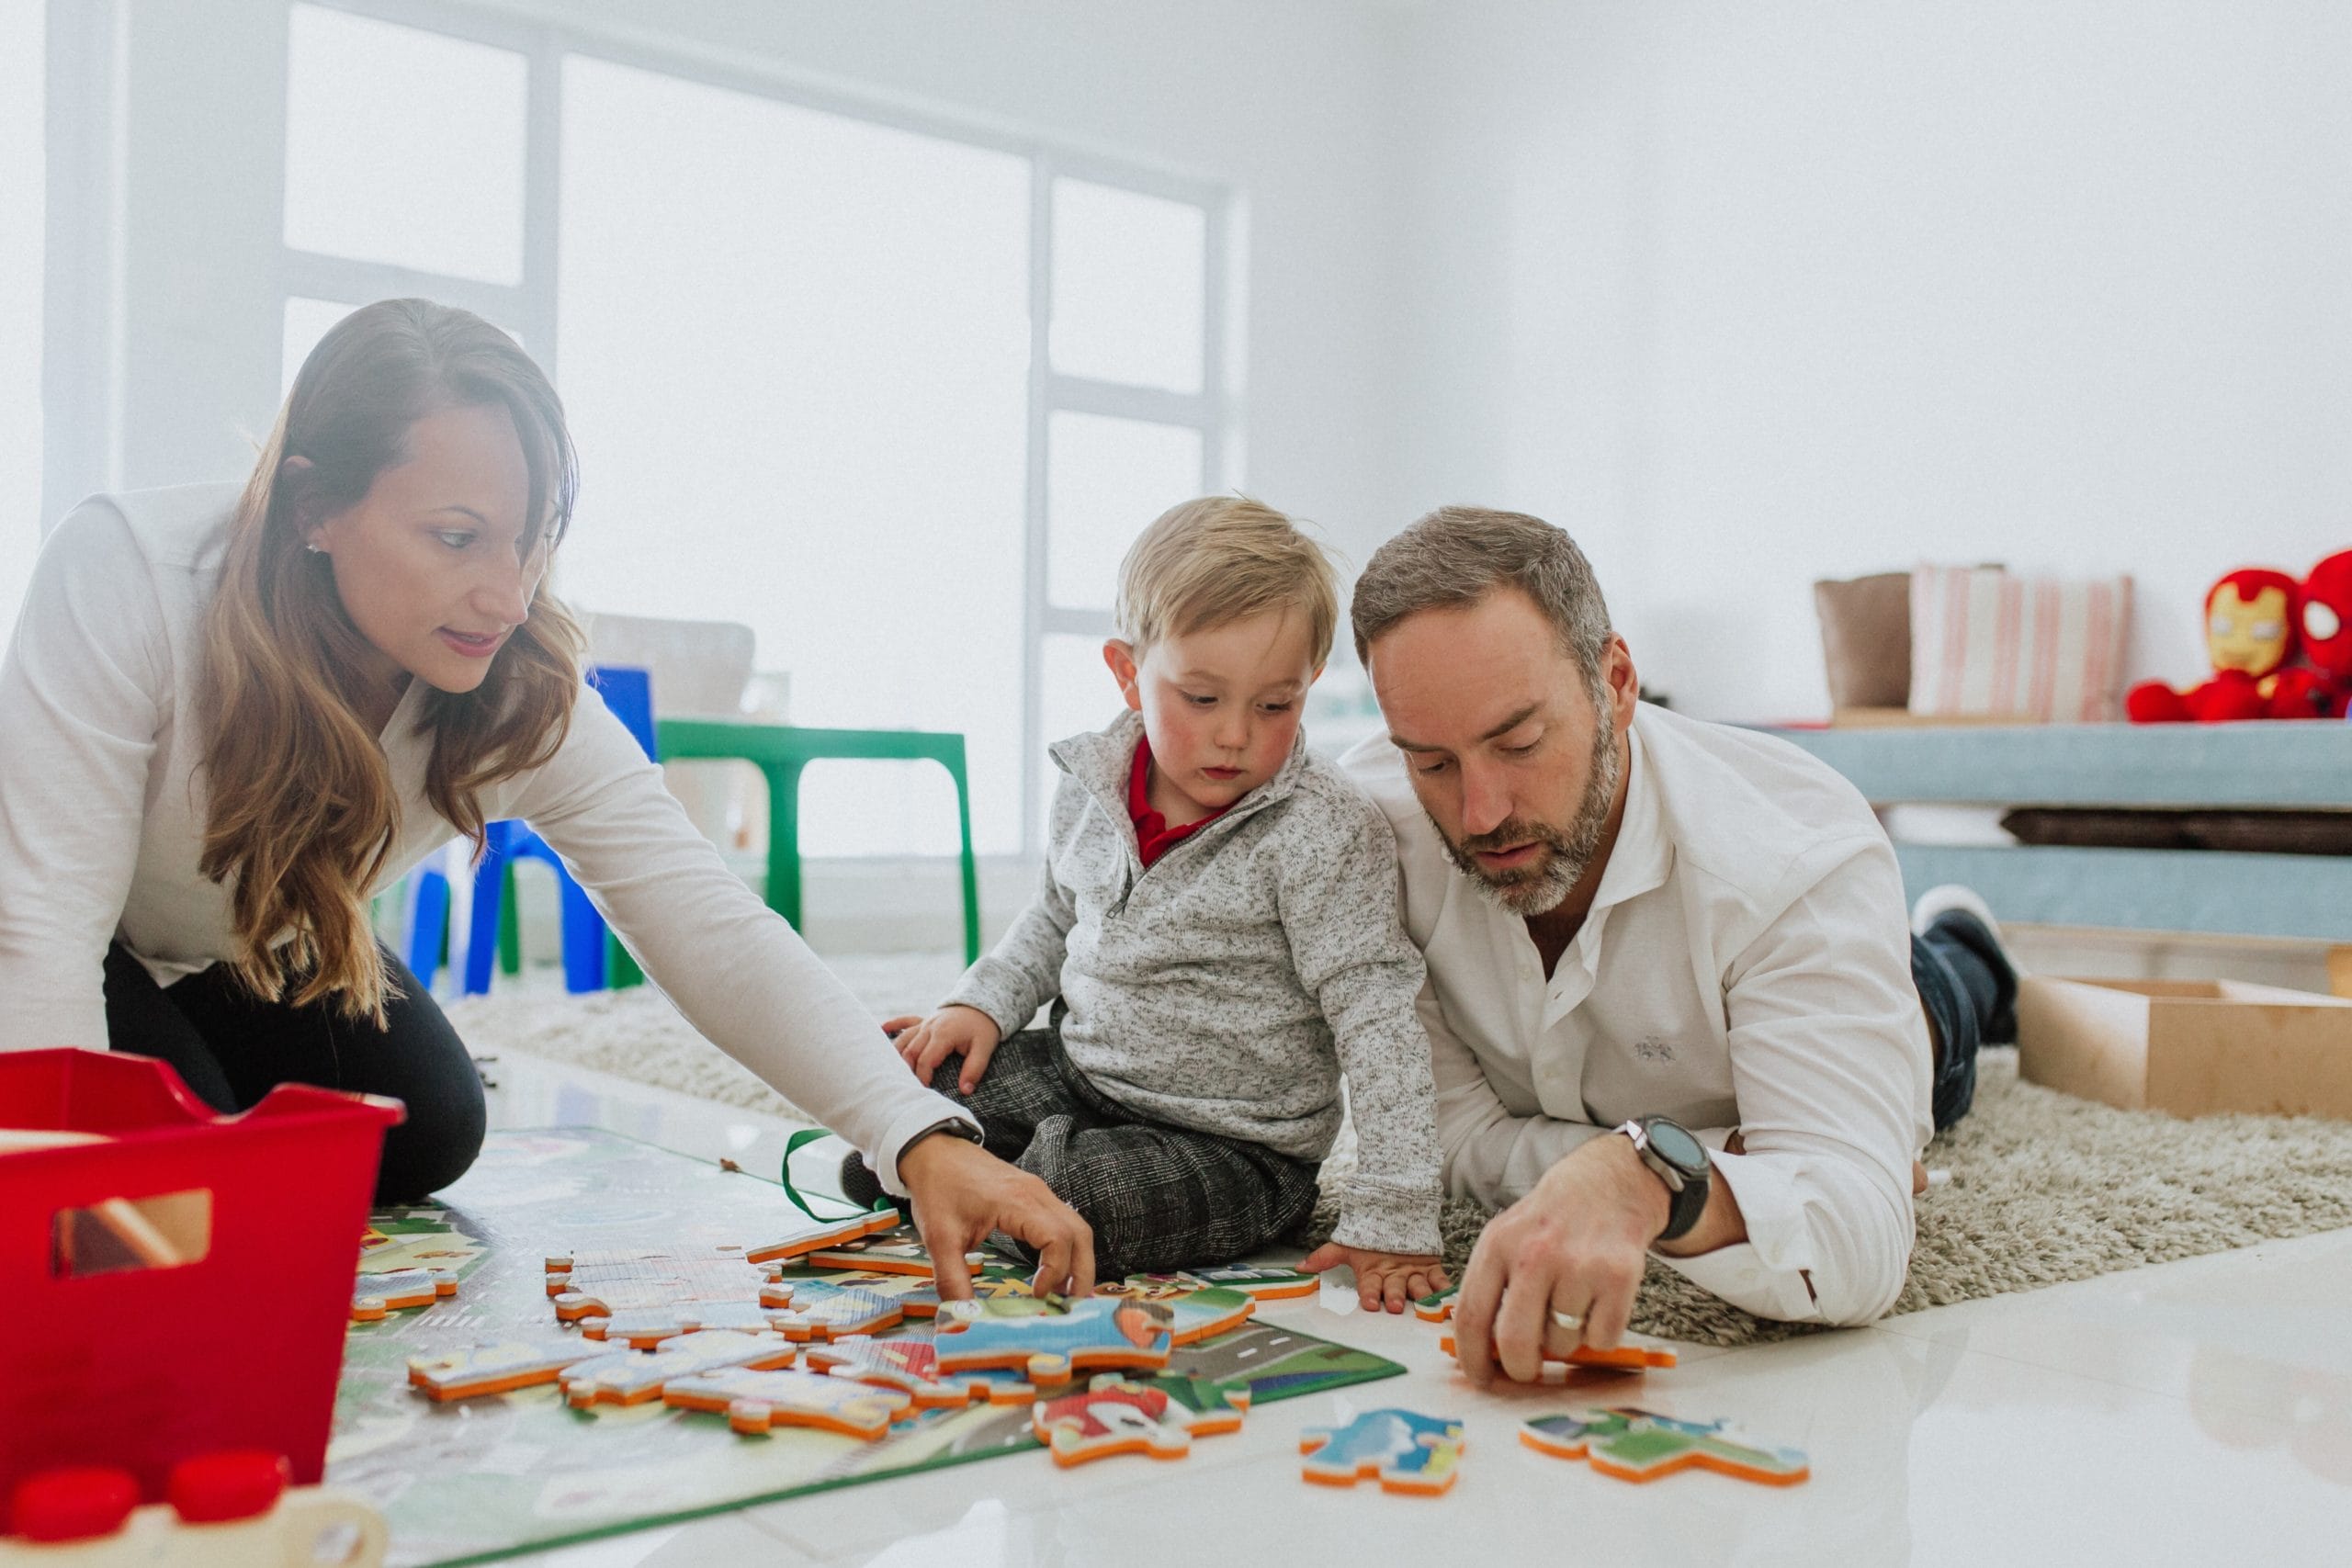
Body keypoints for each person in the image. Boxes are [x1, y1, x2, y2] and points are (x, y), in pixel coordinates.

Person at [0, 298, 1091, 1302]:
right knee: (141, 1201)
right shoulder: (130, 576)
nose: (507, 592)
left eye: (533, 537)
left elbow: (704, 921)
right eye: (457, 537)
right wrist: (71, 1233)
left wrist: (919, 1137)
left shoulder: (513, 682)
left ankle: (191, 1079)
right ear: (312, 507)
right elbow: (40, 933)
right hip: (53, 922)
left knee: (425, 1127)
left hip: (241, 943)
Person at [1340, 505, 2018, 1380]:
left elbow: (1858, 1241)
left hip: (1895, 988)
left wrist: (1652, 1176)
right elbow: (1453, 1139)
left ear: (1616, 682)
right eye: (1432, 762)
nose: (1481, 812)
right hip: (1714, 1067)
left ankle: (1971, 943)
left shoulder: (1796, 860)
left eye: (1519, 742)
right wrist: (1686, 1151)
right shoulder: (1365, 835)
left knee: (1944, 1013)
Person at [864, 497, 1449, 1308]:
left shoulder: (1324, 829)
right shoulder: (1090, 785)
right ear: (1128, 672)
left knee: (1076, 1199)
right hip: (1085, 1074)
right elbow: (1052, 919)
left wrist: (1396, 1206)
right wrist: (984, 1004)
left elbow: (1377, 1018)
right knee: (897, 1087)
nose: (1235, 735)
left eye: (1274, 705)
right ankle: (971, 1168)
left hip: (1236, 1147)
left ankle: (998, 1178)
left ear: (1310, 683)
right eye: (1202, 699)